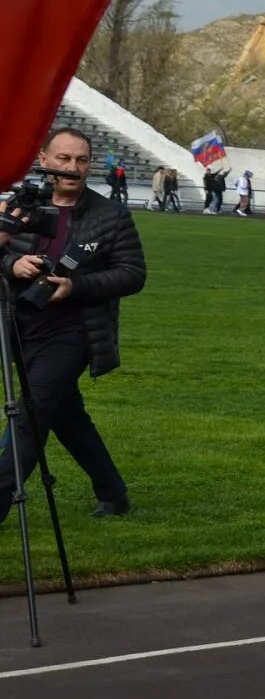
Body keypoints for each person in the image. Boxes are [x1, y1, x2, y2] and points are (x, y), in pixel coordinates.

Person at [2, 127, 148, 517]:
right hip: (23, 324)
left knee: (31, 411)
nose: (72, 168)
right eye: (64, 159)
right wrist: (13, 264)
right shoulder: (22, 204)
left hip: (76, 329)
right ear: (44, 161)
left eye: (81, 161)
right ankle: (113, 493)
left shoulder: (110, 214)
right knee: (65, 414)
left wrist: (76, 285)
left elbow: (133, 273)